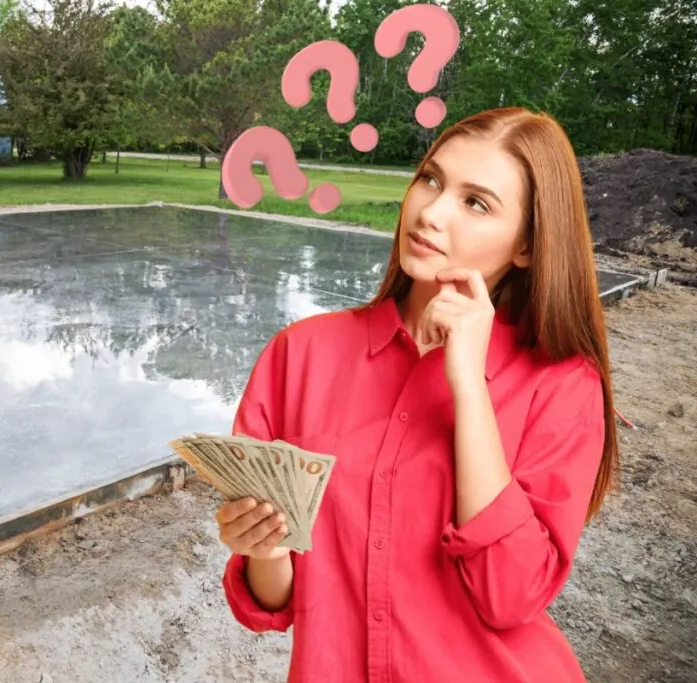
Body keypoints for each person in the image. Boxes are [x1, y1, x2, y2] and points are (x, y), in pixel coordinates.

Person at [214, 106, 620, 683]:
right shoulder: (297, 357)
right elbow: (274, 601)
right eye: (431, 179)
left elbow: (510, 597)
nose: (430, 212)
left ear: (527, 244)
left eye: (476, 202)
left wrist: (468, 384)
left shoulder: (561, 385)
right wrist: (265, 549)